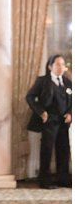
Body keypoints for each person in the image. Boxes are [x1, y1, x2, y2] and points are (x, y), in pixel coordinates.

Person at [25, 53, 72, 188]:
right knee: (47, 149)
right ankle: (45, 180)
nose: (60, 67)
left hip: (64, 122)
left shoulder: (68, 82)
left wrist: (70, 113)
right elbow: (30, 97)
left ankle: (62, 178)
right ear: (50, 66)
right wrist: (41, 112)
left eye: (62, 64)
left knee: (63, 150)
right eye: (57, 64)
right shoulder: (42, 81)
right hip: (49, 122)